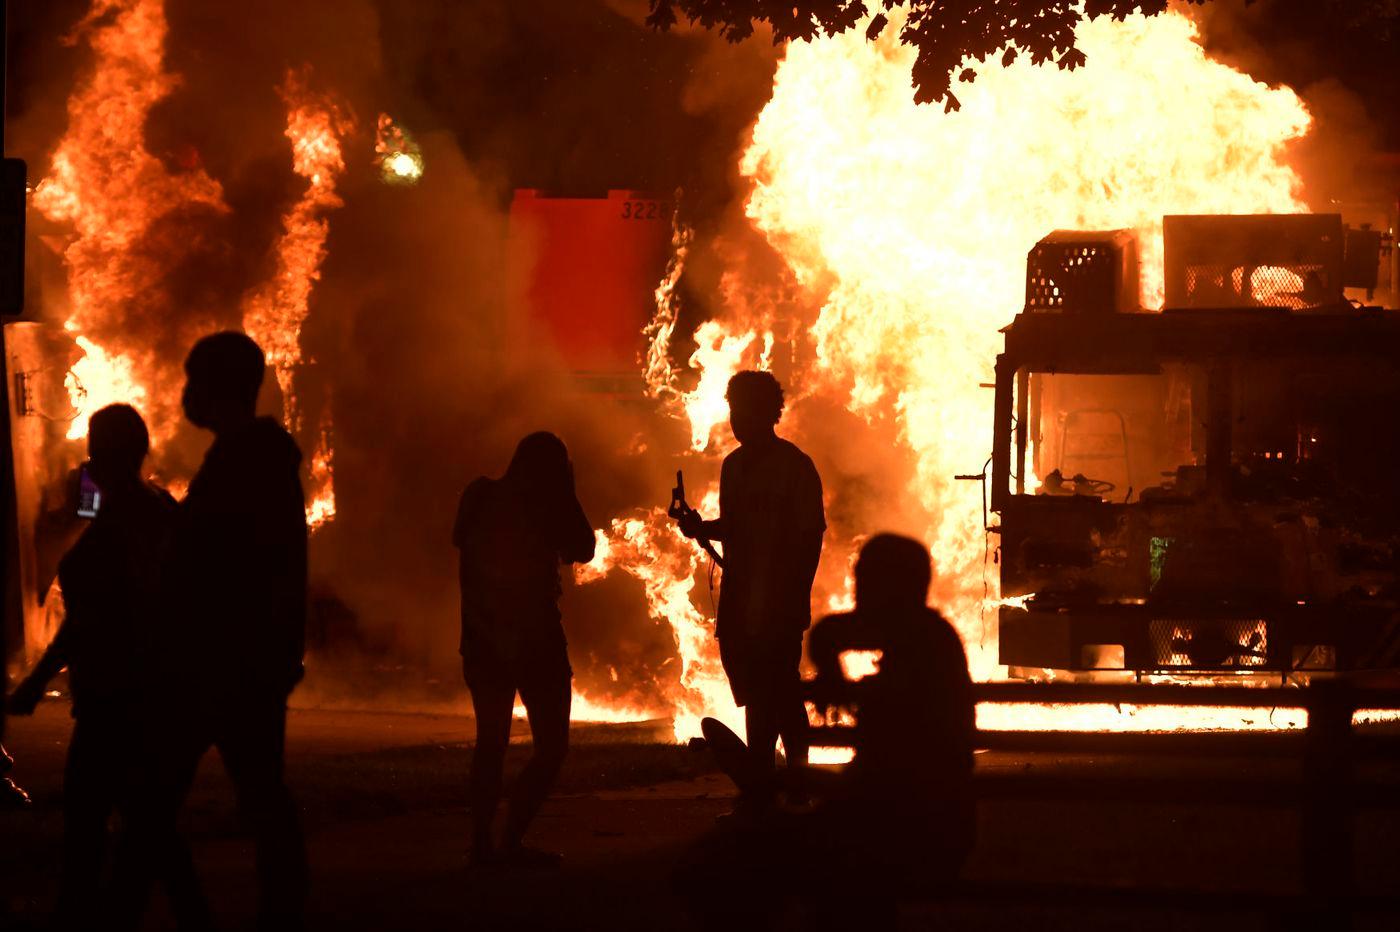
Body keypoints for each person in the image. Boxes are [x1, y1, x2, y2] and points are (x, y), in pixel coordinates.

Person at [682, 534, 975, 930]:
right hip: (912, 825)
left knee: (717, 865)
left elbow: (888, 784)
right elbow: (829, 634)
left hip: (907, 834)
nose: (859, 590)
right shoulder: (923, 635)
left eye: (867, 580)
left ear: (892, 587)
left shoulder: (921, 643)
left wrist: (792, 779)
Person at [116, 332, 308, 931]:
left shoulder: (246, 461)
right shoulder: (249, 457)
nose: (184, 394)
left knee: (159, 801)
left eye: (191, 380)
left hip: (217, 668)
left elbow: (229, 569)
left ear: (215, 388)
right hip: (233, 666)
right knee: (247, 799)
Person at [8, 404, 208, 928]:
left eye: (96, 447)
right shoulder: (158, 506)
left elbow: (89, 617)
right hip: (150, 694)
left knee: (98, 823)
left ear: (111, 452)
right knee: (145, 826)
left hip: (115, 698)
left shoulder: (123, 519)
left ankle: (83, 915)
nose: (89, 456)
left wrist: (35, 681)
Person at [678, 370, 824, 800]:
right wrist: (701, 527)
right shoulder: (734, 467)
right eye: (733, 410)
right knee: (759, 697)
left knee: (779, 694)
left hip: (777, 604)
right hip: (740, 602)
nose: (735, 420)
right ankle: (764, 789)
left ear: (767, 413)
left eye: (743, 410)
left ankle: (791, 786)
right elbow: (737, 527)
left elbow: (810, 535)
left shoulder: (795, 467)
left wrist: (796, 595)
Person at [453, 432, 594, 867]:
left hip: (484, 639)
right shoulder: (548, 507)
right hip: (535, 641)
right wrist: (567, 494)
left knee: (490, 743)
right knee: (551, 748)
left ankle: (482, 845)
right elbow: (584, 548)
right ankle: (509, 841)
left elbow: (465, 556)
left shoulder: (479, 495)